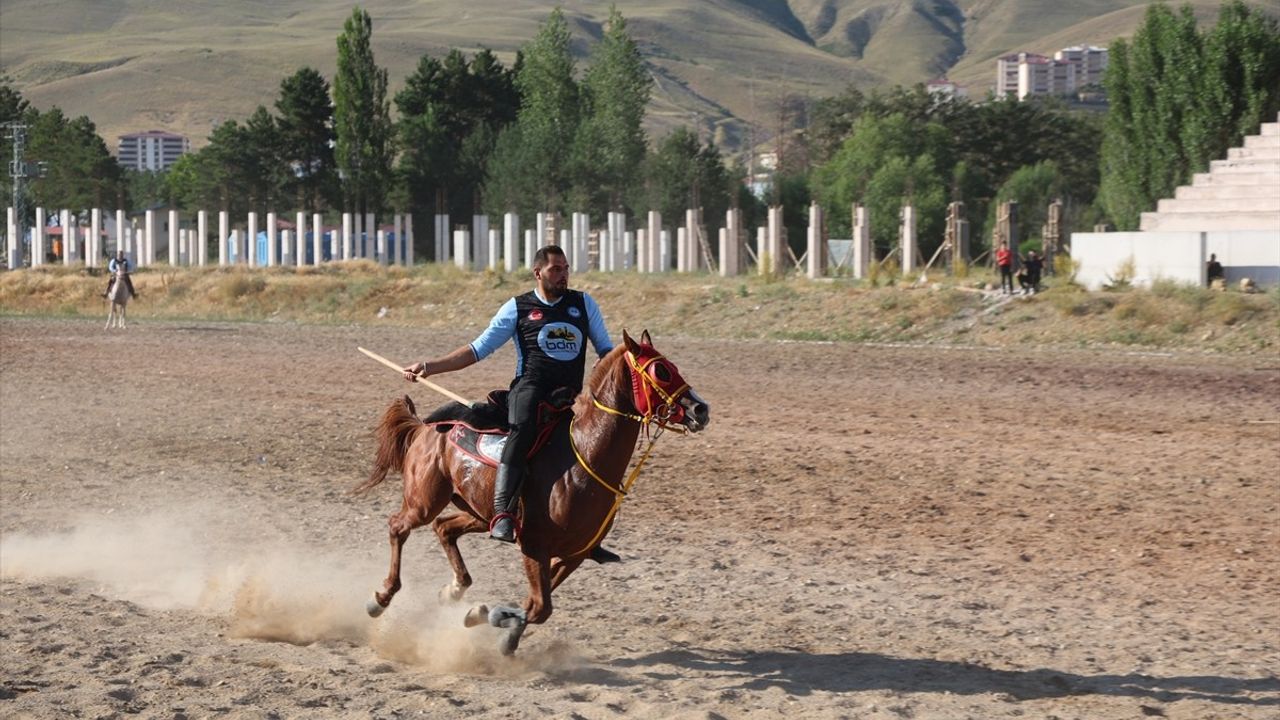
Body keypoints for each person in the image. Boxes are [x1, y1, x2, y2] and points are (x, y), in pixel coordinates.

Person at [403, 245, 615, 546]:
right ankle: (503, 512)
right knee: (523, 428)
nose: (563, 275)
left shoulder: (583, 304)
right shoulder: (519, 307)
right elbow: (477, 349)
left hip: (568, 396)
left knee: (594, 442)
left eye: (566, 268)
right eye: (556, 269)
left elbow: (605, 348)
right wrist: (428, 367)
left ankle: (585, 535)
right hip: (529, 389)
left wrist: (609, 362)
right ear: (538, 272)